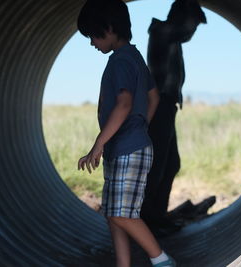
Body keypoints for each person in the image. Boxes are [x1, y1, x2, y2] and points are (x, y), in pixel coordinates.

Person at [76, 0, 176, 266]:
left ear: (109, 28)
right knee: (114, 213)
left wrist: (98, 144)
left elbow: (124, 103)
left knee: (122, 214)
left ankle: (162, 261)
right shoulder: (134, 56)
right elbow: (153, 97)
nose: (92, 43)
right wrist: (140, 127)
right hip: (126, 146)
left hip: (127, 149)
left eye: (93, 35)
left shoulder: (120, 61)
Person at [141, 0, 207, 235]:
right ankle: (148, 219)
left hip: (167, 105)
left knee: (169, 164)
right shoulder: (163, 32)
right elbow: (180, 31)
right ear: (180, 19)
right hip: (160, 105)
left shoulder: (169, 36)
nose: (192, 32)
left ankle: (156, 215)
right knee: (158, 165)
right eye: (193, 25)